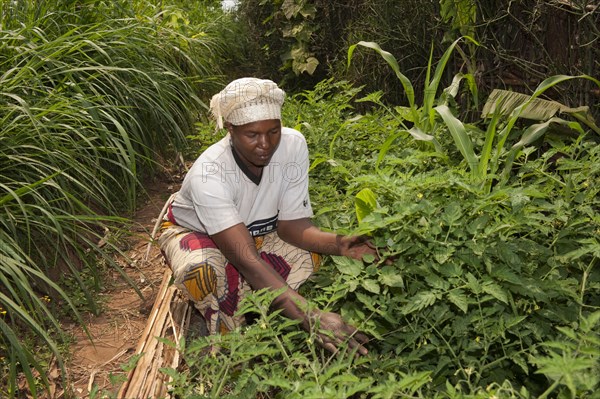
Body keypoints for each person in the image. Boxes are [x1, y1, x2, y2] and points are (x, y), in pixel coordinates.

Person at [158, 77, 377, 355]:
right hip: (192, 233)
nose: (265, 144)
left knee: (310, 254)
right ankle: (222, 338)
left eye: (273, 131)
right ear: (231, 129)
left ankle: (261, 309)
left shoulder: (293, 145)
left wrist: (341, 244)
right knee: (203, 271)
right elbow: (247, 260)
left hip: (251, 233)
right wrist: (310, 315)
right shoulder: (210, 173)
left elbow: (291, 226)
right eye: (252, 135)